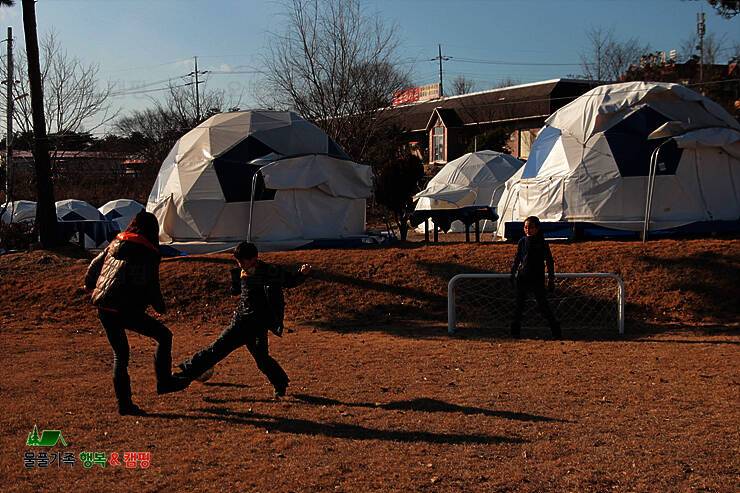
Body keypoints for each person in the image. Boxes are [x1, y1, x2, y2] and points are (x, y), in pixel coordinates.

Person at [84, 211, 190, 416]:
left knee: (120, 354)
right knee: (164, 336)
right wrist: (160, 307)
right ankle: (164, 381)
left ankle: (124, 404)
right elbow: (151, 284)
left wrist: (90, 285)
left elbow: (93, 268)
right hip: (126, 308)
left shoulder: (116, 242)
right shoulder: (148, 252)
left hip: (105, 307)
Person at [176, 242, 311, 398]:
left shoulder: (270, 271)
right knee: (223, 350)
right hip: (242, 320)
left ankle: (280, 384)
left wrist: (302, 273)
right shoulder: (241, 272)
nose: (240, 264)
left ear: (254, 258)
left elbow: (289, 281)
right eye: (238, 261)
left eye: (243, 261)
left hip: (258, 323)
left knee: (234, 353)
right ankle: (185, 373)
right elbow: (238, 291)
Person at [509, 216, 561, 339]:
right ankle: (515, 333)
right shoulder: (522, 242)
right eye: (526, 227)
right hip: (523, 277)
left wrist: (551, 279)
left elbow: (549, 261)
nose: (528, 230)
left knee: (543, 306)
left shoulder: (542, 243)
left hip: (537, 278)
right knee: (519, 306)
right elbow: (518, 259)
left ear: (537, 228)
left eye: (531, 227)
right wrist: (513, 273)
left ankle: (556, 331)